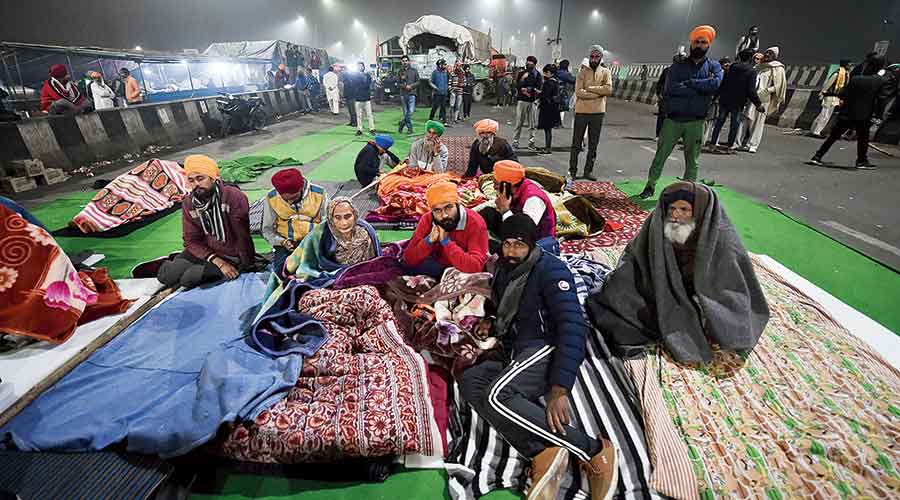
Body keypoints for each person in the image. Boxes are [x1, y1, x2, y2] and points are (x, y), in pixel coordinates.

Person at [460, 213, 618, 500]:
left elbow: (573, 325)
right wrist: (493, 323)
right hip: (516, 346)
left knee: (498, 395)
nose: (510, 251)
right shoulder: (505, 268)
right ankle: (543, 450)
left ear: (532, 245)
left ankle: (594, 451)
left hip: (544, 347)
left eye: (519, 245)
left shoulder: (551, 271)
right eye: (506, 244)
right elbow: (515, 309)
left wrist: (560, 388)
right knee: (471, 381)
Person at [587, 181, 769, 364]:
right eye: (671, 208)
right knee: (620, 301)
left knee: (729, 323)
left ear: (700, 212)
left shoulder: (720, 236)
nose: (675, 215)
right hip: (654, 283)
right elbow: (635, 263)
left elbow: (728, 282)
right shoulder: (657, 223)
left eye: (684, 209)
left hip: (700, 290)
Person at [638, 26, 722, 199]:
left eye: (703, 42)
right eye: (696, 42)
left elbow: (715, 85)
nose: (699, 45)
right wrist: (700, 87)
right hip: (674, 120)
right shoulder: (678, 66)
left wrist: (690, 83)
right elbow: (671, 88)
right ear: (691, 44)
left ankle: (687, 193)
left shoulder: (714, 66)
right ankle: (650, 186)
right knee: (661, 156)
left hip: (697, 121)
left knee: (693, 161)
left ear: (708, 45)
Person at [157, 155, 255, 289]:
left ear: (213, 177)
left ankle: (188, 265)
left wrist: (247, 264)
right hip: (204, 252)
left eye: (200, 178)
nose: (196, 184)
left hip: (230, 254)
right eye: (191, 180)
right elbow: (190, 239)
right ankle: (176, 261)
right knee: (168, 277)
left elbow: (242, 236)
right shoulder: (189, 203)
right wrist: (217, 262)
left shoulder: (232, 196)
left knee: (188, 279)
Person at [809, 56, 888, 170]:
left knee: (833, 136)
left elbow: (842, 94)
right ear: (880, 67)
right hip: (864, 116)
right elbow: (881, 100)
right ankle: (861, 161)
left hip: (847, 113)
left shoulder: (856, 79)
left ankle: (817, 156)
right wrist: (878, 116)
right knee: (863, 139)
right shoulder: (881, 81)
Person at [401, 181, 489, 278]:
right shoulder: (428, 219)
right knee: (404, 266)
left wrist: (446, 242)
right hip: (438, 266)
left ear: (457, 204)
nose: (444, 215)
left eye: (448, 207)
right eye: (437, 210)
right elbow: (408, 259)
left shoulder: (475, 222)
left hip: (463, 270)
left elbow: (475, 267)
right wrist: (428, 241)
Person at [285, 196, 381, 282]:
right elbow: (307, 266)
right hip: (332, 279)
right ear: (331, 218)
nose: (344, 223)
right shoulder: (321, 235)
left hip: (365, 277)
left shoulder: (366, 233)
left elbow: (376, 262)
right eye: (337, 218)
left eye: (348, 216)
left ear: (355, 215)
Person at [261, 168, 328, 279]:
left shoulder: (319, 194)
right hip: (286, 244)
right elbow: (267, 229)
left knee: (318, 272)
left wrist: (314, 241)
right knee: (280, 275)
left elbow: (327, 224)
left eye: (293, 198)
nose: (290, 203)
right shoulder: (272, 198)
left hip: (314, 241)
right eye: (285, 199)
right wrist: (282, 242)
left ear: (301, 188)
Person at [479, 160, 557, 253]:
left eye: (496, 183)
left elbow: (523, 231)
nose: (494, 187)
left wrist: (504, 210)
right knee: (486, 213)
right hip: (515, 225)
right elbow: (494, 203)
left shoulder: (533, 199)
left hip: (534, 242)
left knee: (489, 246)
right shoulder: (513, 189)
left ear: (507, 185)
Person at [569, 45, 613, 181]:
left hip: (598, 113)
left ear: (601, 58)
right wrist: (598, 94)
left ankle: (588, 171)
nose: (594, 59)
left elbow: (608, 90)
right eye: (592, 56)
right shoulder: (582, 73)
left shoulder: (606, 72)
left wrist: (590, 89)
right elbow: (579, 92)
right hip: (582, 112)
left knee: (593, 144)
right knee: (576, 143)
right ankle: (573, 170)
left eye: (597, 56)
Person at [708, 50, 764, 152]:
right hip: (738, 102)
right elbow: (751, 90)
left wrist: (715, 97)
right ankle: (729, 147)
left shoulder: (731, 68)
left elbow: (722, 84)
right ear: (750, 58)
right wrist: (758, 104)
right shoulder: (751, 71)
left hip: (725, 100)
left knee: (719, 122)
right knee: (734, 125)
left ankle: (712, 144)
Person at [736, 46, 785, 153]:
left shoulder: (778, 68)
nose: (767, 55)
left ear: (775, 56)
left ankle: (752, 145)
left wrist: (766, 91)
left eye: (771, 53)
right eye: (767, 52)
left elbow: (778, 85)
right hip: (752, 97)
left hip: (764, 98)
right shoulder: (759, 67)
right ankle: (737, 143)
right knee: (744, 120)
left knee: (758, 122)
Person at [810, 59, 851, 137]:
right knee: (824, 115)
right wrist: (822, 93)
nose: (850, 66)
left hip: (836, 98)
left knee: (827, 115)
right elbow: (827, 85)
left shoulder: (846, 74)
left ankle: (815, 130)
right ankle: (817, 131)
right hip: (829, 97)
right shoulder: (837, 74)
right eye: (849, 65)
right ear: (845, 65)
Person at [513, 56, 542, 150]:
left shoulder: (537, 75)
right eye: (527, 62)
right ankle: (515, 141)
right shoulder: (522, 73)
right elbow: (517, 85)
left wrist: (530, 89)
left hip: (532, 101)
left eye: (530, 63)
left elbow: (538, 88)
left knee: (532, 124)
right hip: (522, 101)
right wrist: (522, 80)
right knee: (519, 123)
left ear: (534, 64)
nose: (528, 64)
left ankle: (531, 142)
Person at [537, 64, 561, 155]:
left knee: (547, 129)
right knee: (548, 129)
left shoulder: (549, 82)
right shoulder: (556, 81)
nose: (545, 74)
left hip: (547, 108)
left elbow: (545, 95)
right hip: (553, 108)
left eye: (545, 72)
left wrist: (539, 93)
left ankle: (547, 148)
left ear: (549, 72)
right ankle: (548, 147)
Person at [398, 55, 420, 134]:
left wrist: (411, 86)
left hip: (412, 93)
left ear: (409, 61)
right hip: (403, 94)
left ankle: (402, 124)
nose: (405, 62)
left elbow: (418, 81)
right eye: (403, 61)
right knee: (406, 112)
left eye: (406, 60)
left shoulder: (414, 71)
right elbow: (398, 83)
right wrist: (404, 86)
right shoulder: (400, 72)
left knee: (411, 111)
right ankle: (410, 129)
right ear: (402, 62)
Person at [354, 62, 376, 136]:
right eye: (359, 66)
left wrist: (362, 86)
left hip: (366, 98)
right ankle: (359, 129)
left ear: (364, 67)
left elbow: (368, 84)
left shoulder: (367, 75)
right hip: (358, 98)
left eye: (361, 66)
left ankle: (372, 129)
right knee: (359, 115)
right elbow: (356, 84)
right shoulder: (355, 76)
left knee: (369, 114)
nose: (360, 67)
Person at [556, 59, 576, 126]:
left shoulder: (557, 71)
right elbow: (573, 80)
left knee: (556, 108)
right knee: (559, 107)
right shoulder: (564, 73)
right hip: (560, 92)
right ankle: (557, 123)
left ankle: (558, 123)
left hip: (555, 91)